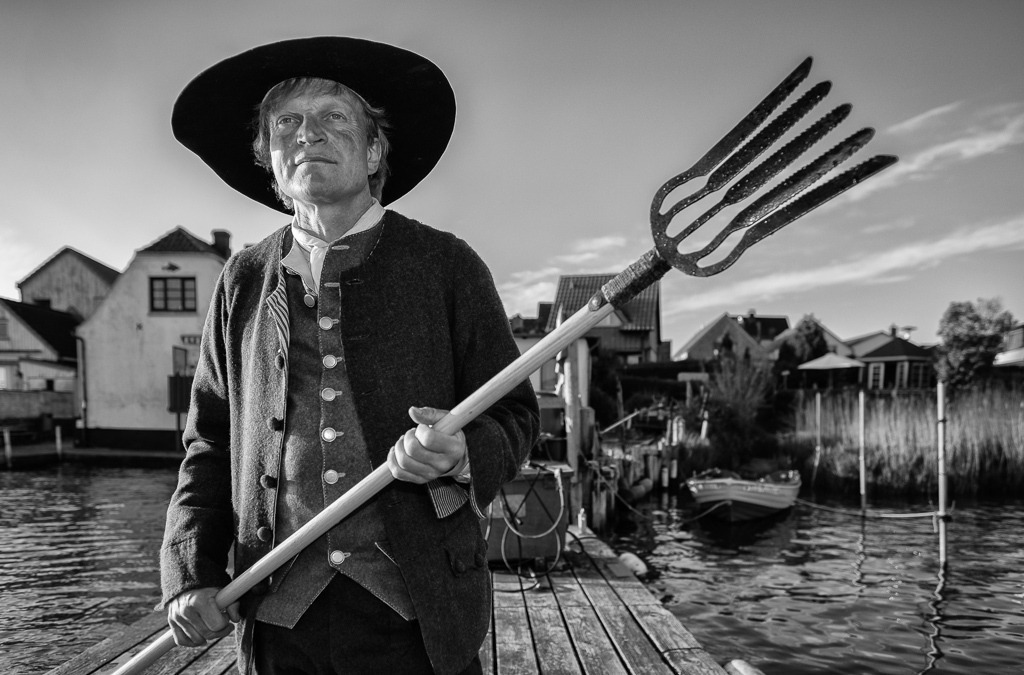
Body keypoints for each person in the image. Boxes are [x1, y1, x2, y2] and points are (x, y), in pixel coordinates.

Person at [159, 36, 539, 675]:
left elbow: (518, 415)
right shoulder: (241, 280)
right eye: (286, 123)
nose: (308, 134)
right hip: (280, 612)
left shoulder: (448, 265)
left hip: (418, 612)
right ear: (267, 157)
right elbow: (209, 444)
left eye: (334, 117)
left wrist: (464, 453)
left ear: (374, 149)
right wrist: (189, 570)